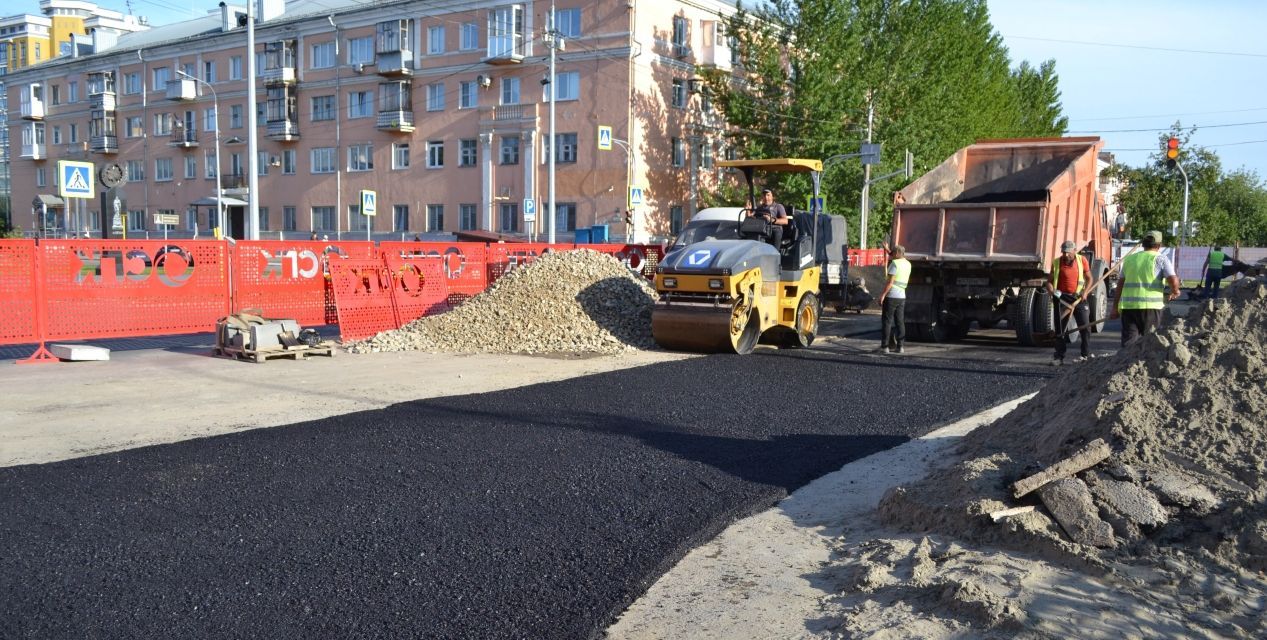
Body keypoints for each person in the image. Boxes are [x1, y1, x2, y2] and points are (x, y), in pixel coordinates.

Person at [1110, 230, 1180, 347]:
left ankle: (1127, 365)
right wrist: (1175, 291)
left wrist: (1115, 308)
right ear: (1159, 245)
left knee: (1128, 344)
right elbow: (1173, 279)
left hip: (1129, 308)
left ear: (1143, 244)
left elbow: (1120, 285)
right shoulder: (1160, 259)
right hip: (1151, 309)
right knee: (1150, 344)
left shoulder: (1129, 259)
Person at [1046, 240, 1092, 365]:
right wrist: (1051, 290)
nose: (1065, 255)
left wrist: (1085, 292)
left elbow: (1089, 278)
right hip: (1062, 298)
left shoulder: (1082, 260)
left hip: (1078, 298)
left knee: (1085, 327)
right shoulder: (1057, 262)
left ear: (1074, 251)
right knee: (1060, 329)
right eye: (1063, 252)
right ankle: (1059, 357)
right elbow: (1049, 281)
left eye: (1068, 252)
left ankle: (1085, 356)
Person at [876, 244, 911, 354]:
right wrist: (887, 250)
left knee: (887, 321)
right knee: (900, 322)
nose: (892, 256)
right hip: (902, 296)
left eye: (893, 254)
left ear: (896, 254)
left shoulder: (894, 264)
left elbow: (890, 283)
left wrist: (882, 295)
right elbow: (894, 254)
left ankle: (885, 347)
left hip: (891, 296)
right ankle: (900, 347)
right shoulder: (908, 264)